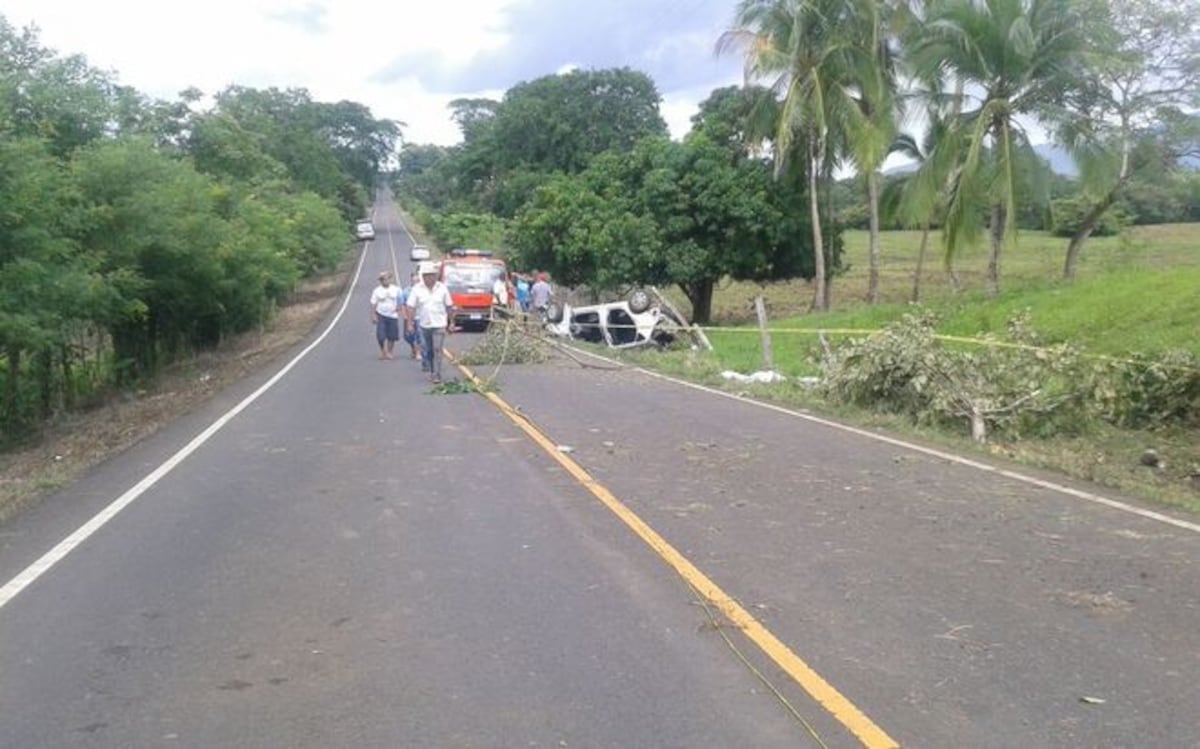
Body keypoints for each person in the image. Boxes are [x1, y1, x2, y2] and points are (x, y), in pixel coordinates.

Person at [405, 261, 455, 383]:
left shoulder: (442, 288)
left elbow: (449, 306)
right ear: (423, 276)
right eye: (427, 275)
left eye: (432, 275)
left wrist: (452, 322)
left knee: (437, 348)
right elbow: (411, 307)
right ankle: (432, 370)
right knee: (428, 349)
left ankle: (437, 374)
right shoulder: (417, 289)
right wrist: (410, 323)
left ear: (436, 276)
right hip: (424, 325)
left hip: (439, 325)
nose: (430, 277)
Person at [369, 270, 401, 360]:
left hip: (392, 315)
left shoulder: (396, 289)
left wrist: (399, 307)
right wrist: (373, 315)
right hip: (381, 315)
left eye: (386, 279)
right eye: (382, 279)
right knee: (380, 335)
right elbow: (373, 303)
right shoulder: (377, 291)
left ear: (390, 279)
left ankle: (390, 352)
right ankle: (383, 351)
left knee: (392, 335)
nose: (384, 281)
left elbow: (400, 299)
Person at [400, 270, 422, 359]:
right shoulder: (406, 291)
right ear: (411, 280)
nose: (416, 282)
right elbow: (403, 304)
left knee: (419, 335)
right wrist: (405, 315)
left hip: (419, 317)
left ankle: (418, 352)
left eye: (418, 281)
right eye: (414, 280)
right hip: (409, 317)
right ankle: (413, 347)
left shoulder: (423, 291)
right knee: (408, 336)